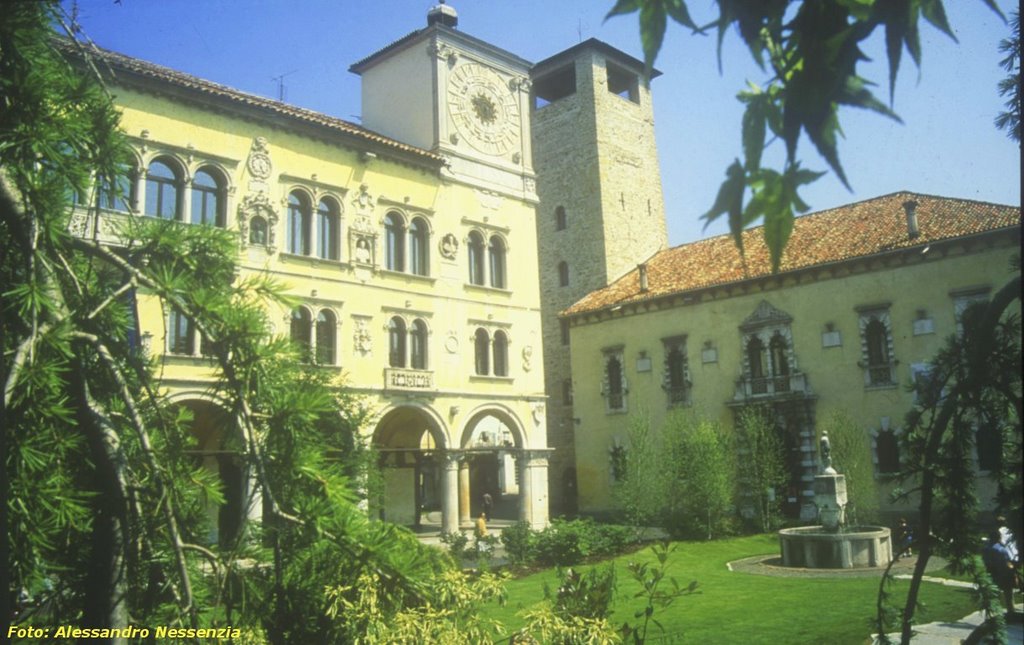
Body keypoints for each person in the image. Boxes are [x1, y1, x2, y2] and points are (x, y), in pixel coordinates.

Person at [983, 528, 1017, 614]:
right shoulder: (1001, 550)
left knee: (994, 594)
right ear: (999, 537)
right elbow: (1007, 563)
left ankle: (995, 613)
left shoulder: (986, 548)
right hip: (1004, 574)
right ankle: (1011, 612)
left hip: (992, 573)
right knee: (1008, 594)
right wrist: (1014, 570)